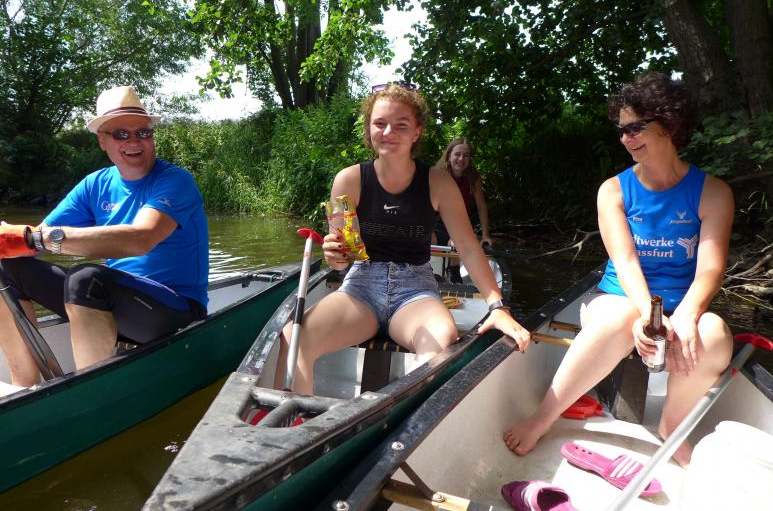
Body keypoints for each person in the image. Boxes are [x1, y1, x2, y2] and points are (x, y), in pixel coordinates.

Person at [502, 72, 734, 467]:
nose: (625, 138)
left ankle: (672, 426)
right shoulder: (613, 190)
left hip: (681, 305)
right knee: (622, 315)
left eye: (635, 128)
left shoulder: (713, 192)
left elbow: (710, 269)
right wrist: (647, 315)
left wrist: (687, 316)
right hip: (618, 298)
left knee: (715, 334)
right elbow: (624, 260)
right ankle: (543, 417)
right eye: (621, 130)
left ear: (669, 124)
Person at [277, 82, 530, 395]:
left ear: (417, 132)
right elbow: (342, 257)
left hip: (416, 292)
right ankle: (296, 419)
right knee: (294, 337)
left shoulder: (439, 183)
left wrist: (497, 307)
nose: (388, 132)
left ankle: (404, 419)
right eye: (380, 124)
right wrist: (334, 255)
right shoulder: (349, 179)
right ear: (369, 129)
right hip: (360, 288)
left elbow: (467, 246)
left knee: (441, 344)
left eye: (401, 125)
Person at [0, 85, 209, 389]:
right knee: (7, 265)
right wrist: (12, 239)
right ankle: (23, 388)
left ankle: (92, 394)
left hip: (178, 310)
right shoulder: (94, 185)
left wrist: (40, 238)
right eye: (121, 134)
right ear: (102, 141)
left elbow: (141, 239)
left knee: (85, 279)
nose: (134, 141)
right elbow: (34, 242)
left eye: (143, 132)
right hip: (115, 303)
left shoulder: (176, 181)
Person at [433, 138, 493, 283]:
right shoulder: (437, 175)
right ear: (449, 156)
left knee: (457, 242)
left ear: (470, 159)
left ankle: (453, 271)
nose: (461, 159)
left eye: (466, 155)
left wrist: (485, 235)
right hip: (435, 222)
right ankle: (434, 272)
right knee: (429, 239)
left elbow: (481, 206)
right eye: (457, 154)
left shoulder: (473, 178)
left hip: (458, 223)